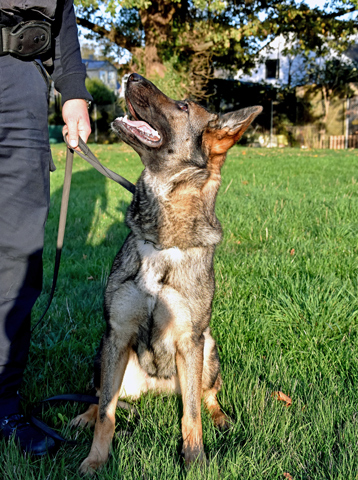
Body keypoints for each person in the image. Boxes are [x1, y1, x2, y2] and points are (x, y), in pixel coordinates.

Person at [0, 0, 92, 455]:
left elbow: (64, 12)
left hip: (21, 78)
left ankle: (4, 403)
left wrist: (72, 88)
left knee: (18, 249)